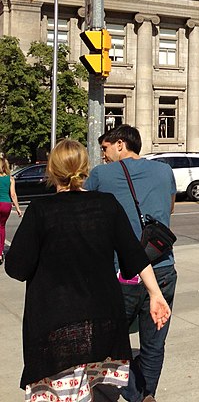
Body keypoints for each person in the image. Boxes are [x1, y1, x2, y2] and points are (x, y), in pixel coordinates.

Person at [4, 139, 171, 402]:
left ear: (51, 170)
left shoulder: (40, 211)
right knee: (99, 392)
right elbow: (135, 255)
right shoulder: (106, 204)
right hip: (103, 327)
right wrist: (155, 294)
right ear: (85, 168)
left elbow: (16, 268)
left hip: (55, 327)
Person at [84, 125, 177, 402]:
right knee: (154, 342)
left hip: (120, 271)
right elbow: (169, 208)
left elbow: (88, 215)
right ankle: (148, 394)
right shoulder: (164, 171)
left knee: (110, 340)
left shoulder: (101, 175)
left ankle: (135, 393)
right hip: (162, 268)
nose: (104, 155)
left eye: (105, 148)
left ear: (120, 144)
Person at [0, 153, 23, 263]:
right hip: (6, 204)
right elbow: (13, 194)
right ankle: (0, 254)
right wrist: (18, 208)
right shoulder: (10, 178)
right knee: (2, 227)